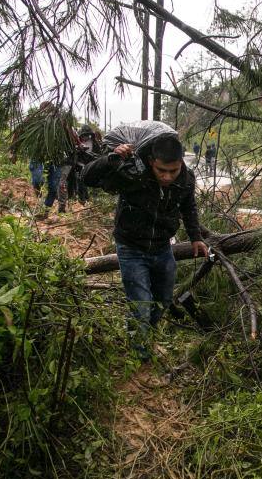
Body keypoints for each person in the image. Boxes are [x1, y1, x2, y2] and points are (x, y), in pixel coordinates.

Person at [83, 122, 208, 360]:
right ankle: (140, 356)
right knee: (140, 303)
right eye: (162, 171)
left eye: (173, 171)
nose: (167, 177)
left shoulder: (186, 179)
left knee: (162, 299)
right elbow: (87, 176)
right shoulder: (133, 171)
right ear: (152, 161)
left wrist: (196, 237)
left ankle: (143, 337)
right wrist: (111, 158)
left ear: (181, 163)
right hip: (131, 247)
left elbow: (188, 206)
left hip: (162, 247)